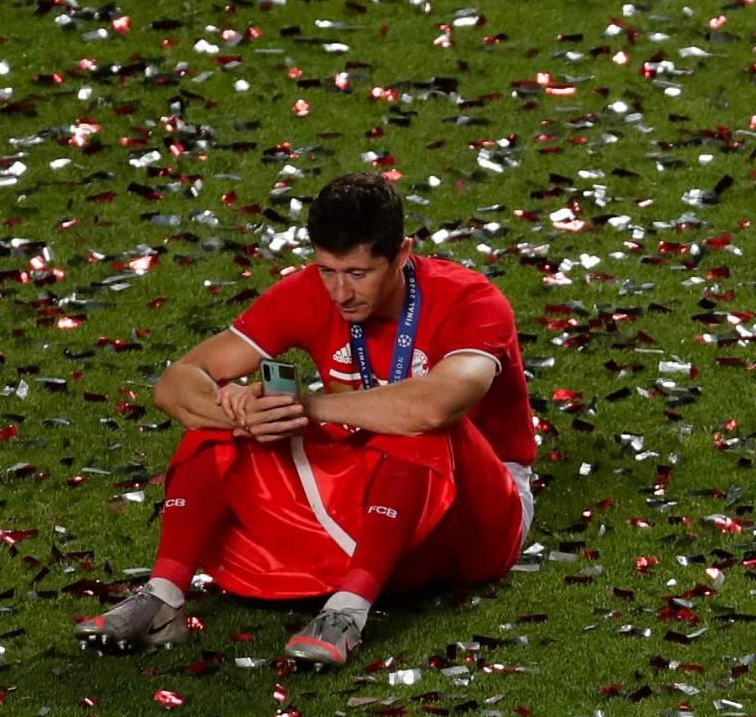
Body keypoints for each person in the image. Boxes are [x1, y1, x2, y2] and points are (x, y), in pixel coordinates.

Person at [75, 172, 536, 664]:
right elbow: (177, 381)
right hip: (378, 497)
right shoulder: (308, 293)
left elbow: (433, 407)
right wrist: (243, 410)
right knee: (223, 422)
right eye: (327, 271)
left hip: (480, 517)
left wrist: (308, 407)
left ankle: (348, 613)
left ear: (402, 254)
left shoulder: (471, 300)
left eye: (358, 273)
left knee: (419, 420)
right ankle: (162, 598)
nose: (340, 293)